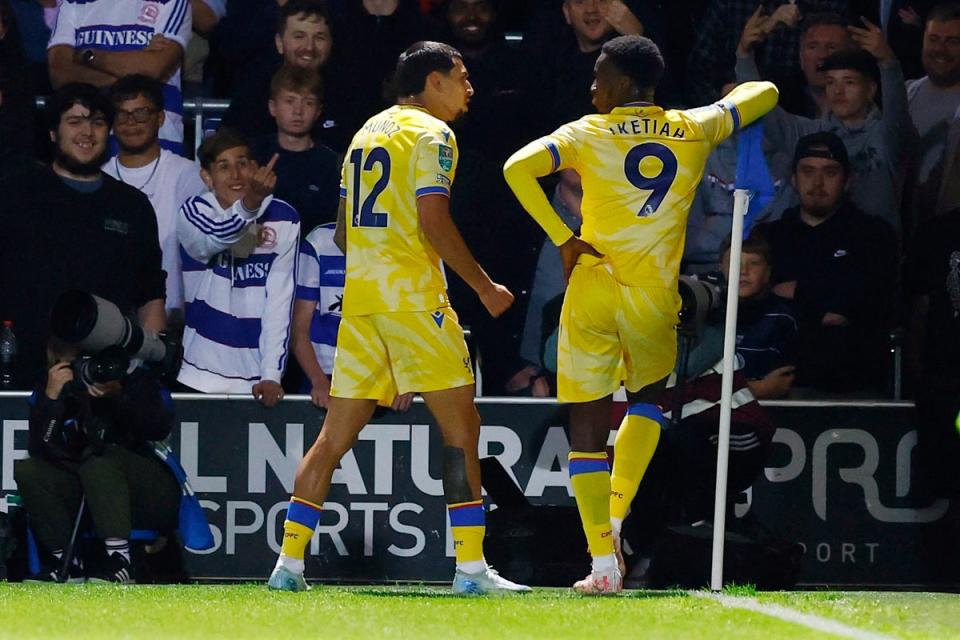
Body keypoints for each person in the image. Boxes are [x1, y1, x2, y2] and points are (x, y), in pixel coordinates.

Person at [503, 35, 778, 593]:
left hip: (594, 286)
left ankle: (602, 561)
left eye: (600, 75)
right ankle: (618, 516)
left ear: (624, 83)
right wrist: (730, 101)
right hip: (653, 297)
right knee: (648, 404)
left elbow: (516, 169)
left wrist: (563, 236)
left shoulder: (587, 130)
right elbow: (766, 92)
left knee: (586, 428)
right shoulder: (694, 127)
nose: (592, 86)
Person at [268, 41, 530, 595]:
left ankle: (288, 565)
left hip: (361, 305)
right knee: (461, 433)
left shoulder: (364, 134)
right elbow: (434, 222)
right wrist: (483, 287)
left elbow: (341, 232)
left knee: (331, 440)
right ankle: (471, 571)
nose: (469, 88)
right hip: (415, 302)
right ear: (433, 81)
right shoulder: (434, 135)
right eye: (461, 76)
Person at [0, 83, 165, 390]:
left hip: (105, 377)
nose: (87, 132)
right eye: (74, 121)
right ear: (52, 132)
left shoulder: (132, 207)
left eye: (98, 123)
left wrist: (144, 375)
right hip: (20, 373)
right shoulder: (14, 195)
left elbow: (150, 295)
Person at [13, 337, 181, 583]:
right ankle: (67, 563)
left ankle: (120, 562)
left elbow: (156, 429)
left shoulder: (137, 378)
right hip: (90, 490)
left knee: (99, 460)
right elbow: (41, 449)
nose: (94, 370)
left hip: (148, 491)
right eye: (85, 363)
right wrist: (50, 401)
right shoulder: (61, 385)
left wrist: (118, 395)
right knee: (30, 470)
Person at [737, 15, 914, 234]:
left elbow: (898, 111)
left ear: (871, 90)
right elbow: (762, 110)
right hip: (818, 248)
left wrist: (888, 63)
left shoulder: (885, 135)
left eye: (849, 82)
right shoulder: (810, 135)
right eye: (831, 82)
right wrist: (744, 55)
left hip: (873, 252)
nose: (838, 91)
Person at [756, 132, 898, 394]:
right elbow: (756, 303)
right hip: (775, 381)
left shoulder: (874, 235)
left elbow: (871, 304)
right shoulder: (770, 237)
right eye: (808, 171)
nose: (818, 182)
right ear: (794, 178)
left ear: (847, 180)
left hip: (855, 381)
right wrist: (825, 303)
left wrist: (798, 292)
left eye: (830, 172)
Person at [176, 130, 299, 406]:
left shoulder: (284, 218)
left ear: (255, 168)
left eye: (242, 163)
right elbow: (216, 238)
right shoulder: (194, 212)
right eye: (223, 166)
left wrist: (271, 373)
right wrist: (251, 204)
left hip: (258, 379)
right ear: (206, 177)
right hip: (199, 373)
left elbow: (279, 303)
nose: (236, 174)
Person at [102, 74, 205, 326]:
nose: (131, 123)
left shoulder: (188, 174)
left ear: (160, 118)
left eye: (141, 113)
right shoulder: (100, 176)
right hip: (108, 321)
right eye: (122, 115)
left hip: (172, 321)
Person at [46, 0, 192, 153]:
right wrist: (138, 60)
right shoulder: (74, 3)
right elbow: (60, 75)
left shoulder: (171, 1)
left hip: (157, 146)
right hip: (90, 146)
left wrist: (87, 56)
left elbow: (154, 68)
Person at [251, 64, 340, 237]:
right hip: (258, 256)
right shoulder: (252, 156)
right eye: (289, 101)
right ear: (272, 107)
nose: (298, 111)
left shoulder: (332, 165)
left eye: (308, 103)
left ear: (318, 111)